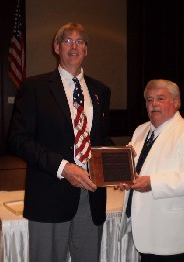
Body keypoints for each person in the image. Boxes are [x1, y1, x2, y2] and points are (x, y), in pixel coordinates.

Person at [8, 22, 114, 262]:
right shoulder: (35, 87)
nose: (74, 46)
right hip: (49, 194)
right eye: (67, 41)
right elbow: (18, 140)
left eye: (80, 41)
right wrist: (63, 168)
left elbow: (100, 139)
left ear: (86, 49)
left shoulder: (101, 91)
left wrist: (121, 162)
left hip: (91, 194)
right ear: (56, 47)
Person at [117, 79, 184, 262]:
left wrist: (152, 182)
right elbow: (130, 166)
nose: (154, 104)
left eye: (160, 98)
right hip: (143, 227)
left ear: (176, 102)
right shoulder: (141, 130)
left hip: (170, 234)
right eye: (149, 100)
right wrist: (123, 177)